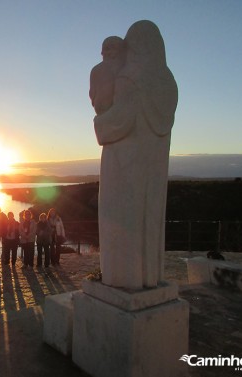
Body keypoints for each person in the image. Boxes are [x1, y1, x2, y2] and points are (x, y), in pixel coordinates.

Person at [93, 20, 178, 289]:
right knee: (149, 218)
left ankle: (124, 279)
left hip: (123, 163)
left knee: (121, 219)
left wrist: (98, 123)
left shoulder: (131, 76)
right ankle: (148, 277)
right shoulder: (167, 81)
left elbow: (120, 118)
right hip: (154, 165)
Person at [89, 36, 126, 115]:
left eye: (110, 49)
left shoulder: (96, 69)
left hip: (106, 111)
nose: (103, 53)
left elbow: (92, 94)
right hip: (112, 112)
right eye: (106, 49)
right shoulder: (124, 67)